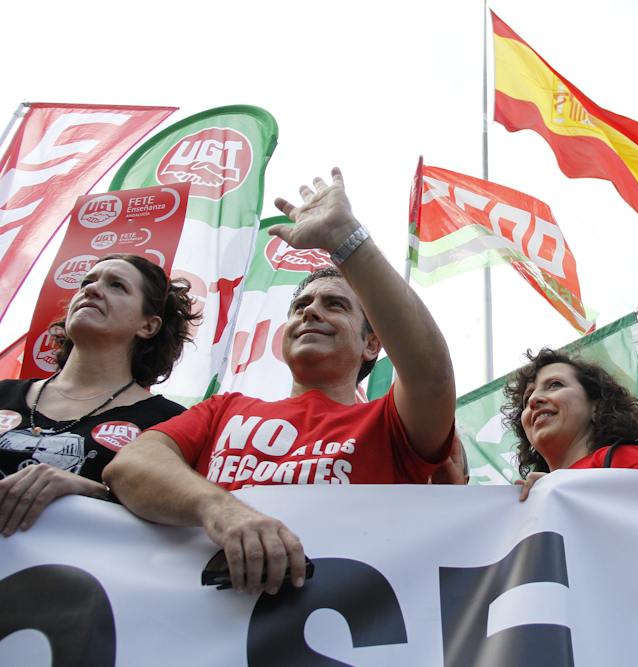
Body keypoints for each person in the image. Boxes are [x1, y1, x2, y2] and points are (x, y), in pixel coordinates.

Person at [104, 167, 457, 596]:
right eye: (301, 305)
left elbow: (431, 375)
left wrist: (345, 238)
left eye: (335, 305)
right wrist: (219, 508)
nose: (310, 312)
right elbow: (130, 466)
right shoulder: (223, 410)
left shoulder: (391, 423)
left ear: (371, 345)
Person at [0, 254, 199, 536]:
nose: (91, 290)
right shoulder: (2, 392)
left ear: (148, 326)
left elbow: (183, 521)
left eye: (117, 285)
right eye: (87, 281)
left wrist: (95, 492)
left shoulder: (170, 422)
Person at [502, 348, 638, 501]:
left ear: (596, 405)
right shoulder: (533, 497)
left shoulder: (625, 459)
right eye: (527, 398)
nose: (533, 400)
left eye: (555, 385)